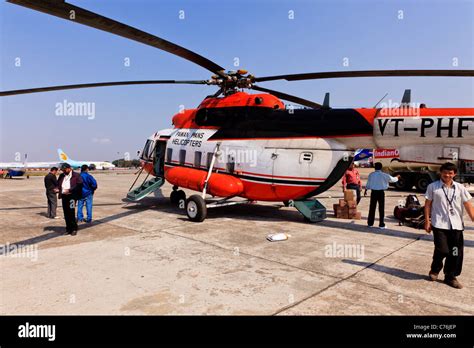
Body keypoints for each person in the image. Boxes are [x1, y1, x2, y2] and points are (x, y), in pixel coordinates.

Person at [424, 162, 474, 289]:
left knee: (455, 252)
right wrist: (427, 221)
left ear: (454, 174)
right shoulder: (433, 187)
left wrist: (473, 218)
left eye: (450, 173)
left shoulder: (460, 188)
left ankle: (450, 276)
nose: (447, 175)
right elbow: (428, 204)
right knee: (442, 249)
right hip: (439, 224)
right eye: (445, 172)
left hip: (456, 225)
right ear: (441, 172)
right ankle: (435, 269)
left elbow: (468, 204)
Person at [364, 162, 400, 229]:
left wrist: (366, 190)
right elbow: (393, 179)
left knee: (372, 208)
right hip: (381, 193)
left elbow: (368, 184)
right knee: (381, 209)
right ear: (381, 167)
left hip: (373, 192)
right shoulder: (384, 175)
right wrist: (397, 177)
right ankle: (381, 224)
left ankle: (370, 223)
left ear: (375, 167)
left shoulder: (371, 175)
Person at [58, 163, 83, 236]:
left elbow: (80, 184)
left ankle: (74, 229)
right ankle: (68, 229)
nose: (63, 171)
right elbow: (58, 183)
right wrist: (57, 189)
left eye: (64, 170)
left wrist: (70, 190)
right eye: (62, 170)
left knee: (71, 212)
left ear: (69, 168)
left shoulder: (76, 175)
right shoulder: (62, 175)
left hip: (72, 197)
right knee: (66, 213)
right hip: (64, 197)